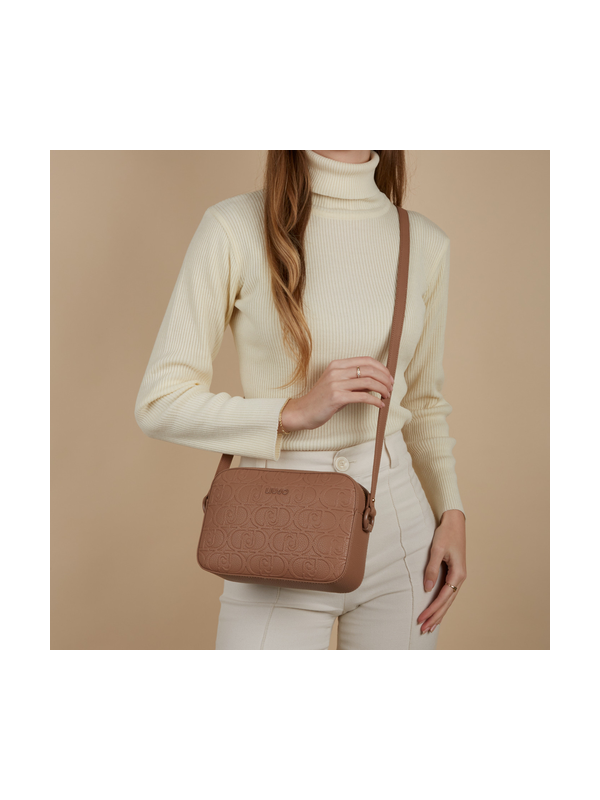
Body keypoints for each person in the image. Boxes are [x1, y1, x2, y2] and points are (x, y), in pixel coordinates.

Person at [135, 150, 467, 650]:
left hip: (400, 532)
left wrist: (452, 513)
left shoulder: (422, 241)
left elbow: (422, 403)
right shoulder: (234, 226)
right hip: (277, 524)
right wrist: (289, 413)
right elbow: (159, 402)